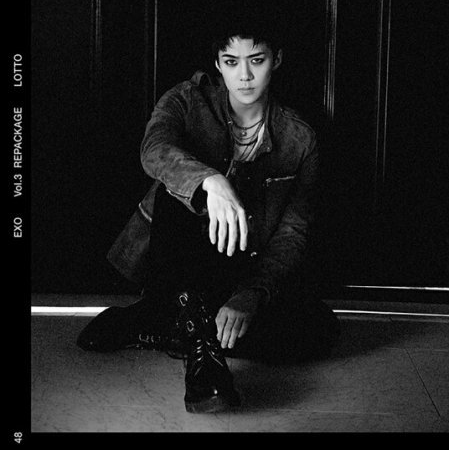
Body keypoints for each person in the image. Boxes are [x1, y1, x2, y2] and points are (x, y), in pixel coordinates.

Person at [77, 22, 339, 413]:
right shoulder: (187, 100)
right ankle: (204, 361)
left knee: (318, 330)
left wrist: (252, 294)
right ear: (218, 63)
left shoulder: (299, 138)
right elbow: (154, 149)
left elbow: (292, 232)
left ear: (277, 60)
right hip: (178, 262)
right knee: (176, 194)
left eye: (256, 60)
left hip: (238, 269)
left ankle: (163, 324)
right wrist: (210, 182)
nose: (245, 75)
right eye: (232, 62)